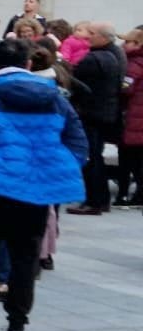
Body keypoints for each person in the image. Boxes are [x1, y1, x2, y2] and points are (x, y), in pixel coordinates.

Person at [0, 37, 87, 331]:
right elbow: (78, 142)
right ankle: (16, 326)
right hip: (35, 191)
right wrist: (54, 170)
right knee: (25, 258)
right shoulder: (56, 98)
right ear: (29, 64)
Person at [68, 21, 126, 214]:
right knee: (95, 156)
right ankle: (100, 200)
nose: (87, 37)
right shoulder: (116, 54)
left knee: (91, 158)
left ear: (103, 37)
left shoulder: (94, 59)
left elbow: (76, 82)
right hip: (106, 113)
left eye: (92, 33)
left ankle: (94, 201)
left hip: (92, 114)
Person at [118, 28, 143, 207]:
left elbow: (127, 88)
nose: (124, 45)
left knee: (131, 158)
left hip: (134, 115)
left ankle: (129, 195)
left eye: (127, 42)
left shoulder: (134, 63)